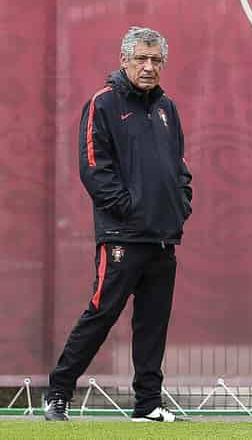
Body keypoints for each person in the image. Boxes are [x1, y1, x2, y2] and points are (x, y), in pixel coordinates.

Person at [44, 26, 192, 422]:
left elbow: (179, 167)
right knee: (101, 313)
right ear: (124, 60)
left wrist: (180, 205)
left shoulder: (167, 109)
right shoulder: (103, 104)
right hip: (122, 236)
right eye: (141, 59)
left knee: (153, 325)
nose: (148, 67)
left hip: (164, 236)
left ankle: (148, 405)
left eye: (156, 60)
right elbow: (94, 168)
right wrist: (129, 210)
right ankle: (57, 393)